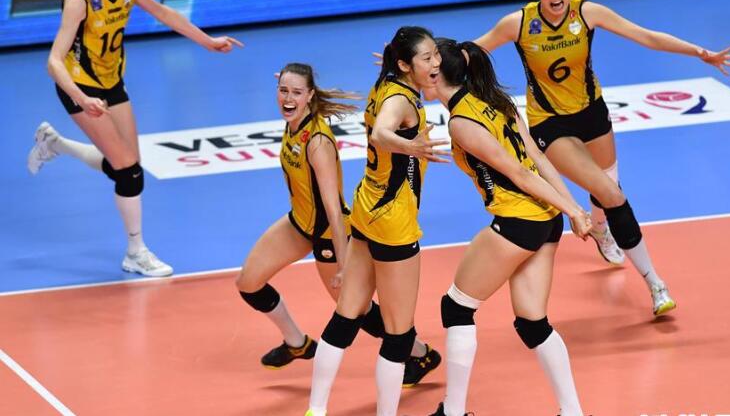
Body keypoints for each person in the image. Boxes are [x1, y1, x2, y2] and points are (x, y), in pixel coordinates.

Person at [473, 0, 730, 315]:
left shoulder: (587, 13)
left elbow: (645, 36)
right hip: (550, 123)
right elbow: (471, 52)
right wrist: (422, 66)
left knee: (607, 185)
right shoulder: (519, 23)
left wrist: (698, 52)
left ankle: (601, 230)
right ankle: (655, 283)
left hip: (593, 113)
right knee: (611, 192)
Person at [26, 0, 242, 277]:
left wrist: (207, 41)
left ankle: (56, 144)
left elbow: (162, 12)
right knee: (128, 172)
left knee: (126, 167)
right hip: (79, 87)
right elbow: (54, 62)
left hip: (112, 82)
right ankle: (136, 252)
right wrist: (82, 98)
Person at [235, 63, 438, 384]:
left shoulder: (318, 142)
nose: (288, 98)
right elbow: (293, 87)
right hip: (299, 223)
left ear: (310, 95)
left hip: (329, 233)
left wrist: (345, 265)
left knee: (357, 310)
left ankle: (420, 352)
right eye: (283, 91)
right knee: (248, 282)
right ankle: (297, 343)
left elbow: (332, 208)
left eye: (296, 92)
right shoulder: (294, 123)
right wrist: (290, 82)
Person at [426, 38, 592, 416]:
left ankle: (453, 412)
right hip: (546, 220)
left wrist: (574, 209)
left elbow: (519, 172)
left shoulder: (462, 123)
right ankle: (573, 412)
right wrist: (571, 208)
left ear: (436, 75)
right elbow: (538, 158)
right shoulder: (497, 101)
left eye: (426, 66)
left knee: (456, 307)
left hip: (519, 221)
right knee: (532, 322)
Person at [306, 26, 448, 416]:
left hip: (366, 209)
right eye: (427, 58)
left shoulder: (385, 84)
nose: (436, 62)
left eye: (436, 54)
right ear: (404, 64)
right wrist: (411, 145)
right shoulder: (400, 100)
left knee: (346, 315)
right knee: (399, 334)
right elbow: (382, 133)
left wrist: (403, 62)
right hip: (394, 221)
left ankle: (316, 409)